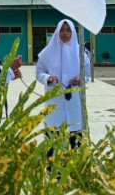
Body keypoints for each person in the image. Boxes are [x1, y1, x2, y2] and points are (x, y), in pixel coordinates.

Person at [36, 19, 86, 150]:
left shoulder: (80, 52)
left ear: (73, 33)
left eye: (68, 30)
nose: (65, 33)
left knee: (75, 140)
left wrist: (80, 79)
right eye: (62, 30)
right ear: (57, 32)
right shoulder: (47, 52)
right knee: (54, 140)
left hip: (74, 100)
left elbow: (86, 74)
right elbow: (39, 72)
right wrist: (48, 78)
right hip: (55, 100)